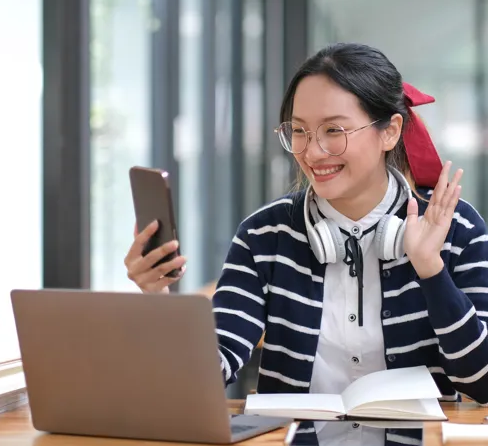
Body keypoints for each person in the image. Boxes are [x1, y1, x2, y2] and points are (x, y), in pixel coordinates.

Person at [124, 42, 488, 406]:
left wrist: (431, 271)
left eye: (334, 131)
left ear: (390, 131)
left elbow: (481, 382)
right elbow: (208, 372)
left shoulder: (457, 229)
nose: (312, 153)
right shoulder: (264, 235)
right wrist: (160, 302)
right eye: (299, 131)